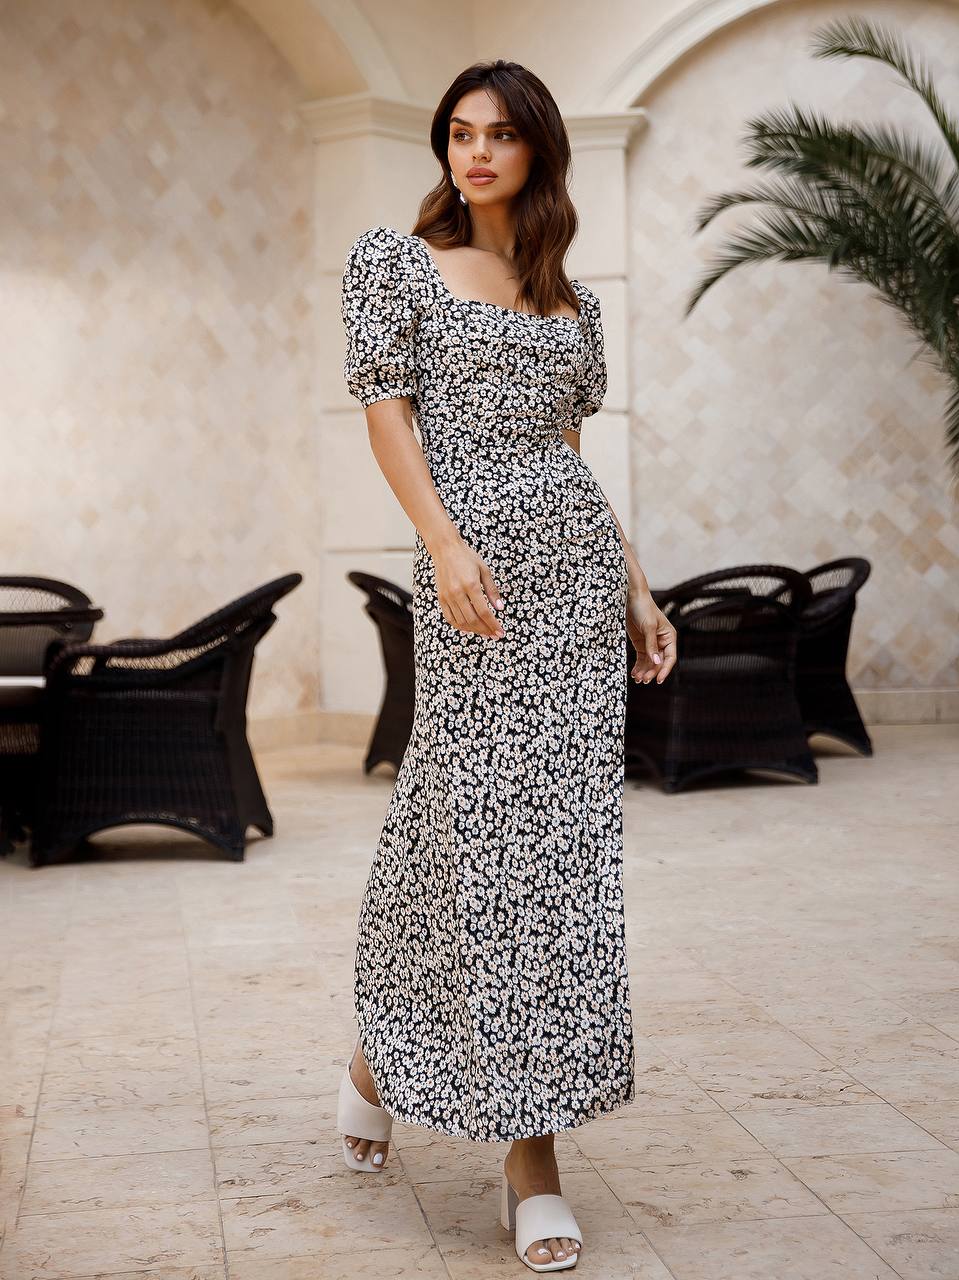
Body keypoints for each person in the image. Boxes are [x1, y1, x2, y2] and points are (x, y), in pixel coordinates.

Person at [336, 58, 676, 1274]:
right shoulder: (396, 262)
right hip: (471, 582)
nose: (473, 154)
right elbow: (389, 414)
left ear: (537, 152)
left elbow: (574, 459)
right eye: (458, 134)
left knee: (549, 847)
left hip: (576, 588)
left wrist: (636, 587)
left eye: (498, 136)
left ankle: (403, 1067)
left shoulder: (573, 306)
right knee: (483, 838)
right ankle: (512, 1140)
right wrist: (442, 541)